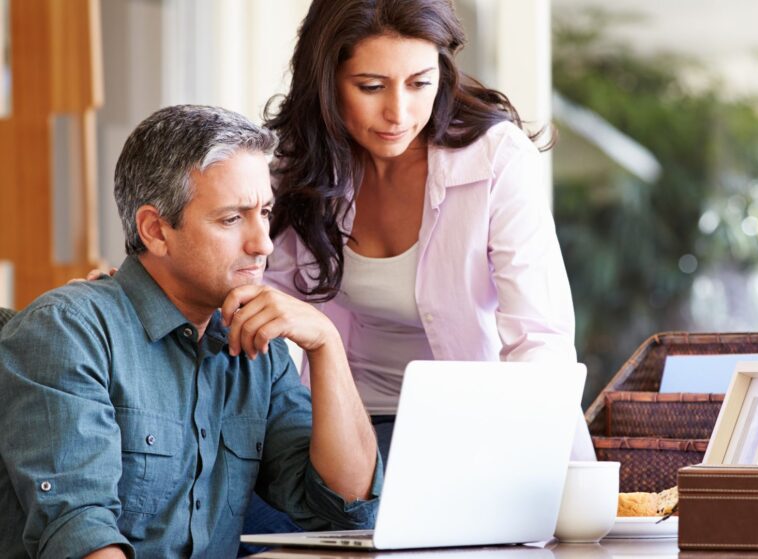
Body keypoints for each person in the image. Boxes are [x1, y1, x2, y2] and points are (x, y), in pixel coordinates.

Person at [0, 105, 381, 558]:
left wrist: (326, 344)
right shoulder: (70, 331)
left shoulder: (260, 347)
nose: (262, 243)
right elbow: (80, 534)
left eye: (264, 212)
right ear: (156, 231)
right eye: (231, 219)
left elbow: (346, 511)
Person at [263, 0, 593, 465]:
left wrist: (535, 466)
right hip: (338, 426)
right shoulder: (298, 164)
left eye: (420, 83)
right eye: (371, 86)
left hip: (473, 429)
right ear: (327, 81)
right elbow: (267, 301)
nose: (398, 112)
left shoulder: (495, 159)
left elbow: (540, 338)